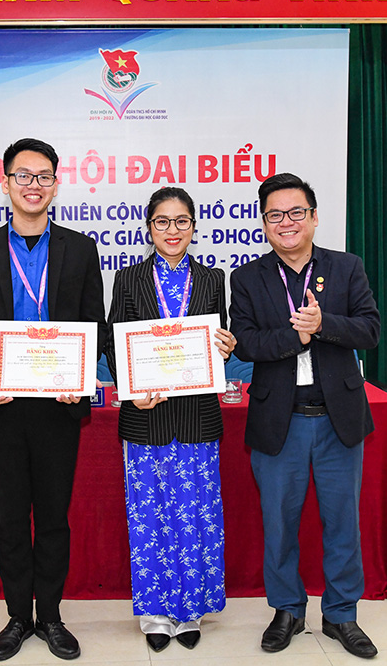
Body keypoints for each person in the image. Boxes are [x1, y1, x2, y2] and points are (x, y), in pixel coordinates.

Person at [0, 137, 107, 662]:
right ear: (5, 182)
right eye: (23, 175)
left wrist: (79, 372)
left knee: (54, 518)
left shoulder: (80, 249)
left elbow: (95, 324)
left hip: (59, 407)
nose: (33, 185)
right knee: (12, 519)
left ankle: (52, 617)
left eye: (43, 177)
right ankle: (18, 617)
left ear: (56, 185)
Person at [228, 173, 381, 659]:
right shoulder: (247, 277)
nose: (286, 222)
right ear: (263, 223)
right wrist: (296, 336)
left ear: (314, 217)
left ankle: (341, 614)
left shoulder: (346, 267)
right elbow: (246, 343)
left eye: (296, 212)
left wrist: (323, 324)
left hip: (338, 420)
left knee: (342, 523)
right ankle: (287, 610)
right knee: (279, 524)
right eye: (275, 215)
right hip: (280, 420)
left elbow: (370, 330)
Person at [106, 187, 236, 653]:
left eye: (182, 221)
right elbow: (114, 342)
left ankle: (192, 610)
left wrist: (225, 346)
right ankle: (156, 613)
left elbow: (218, 339)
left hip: (197, 416)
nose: (172, 230)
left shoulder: (213, 278)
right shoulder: (128, 278)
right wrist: (131, 389)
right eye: (162, 221)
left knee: (198, 514)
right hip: (146, 416)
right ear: (149, 228)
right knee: (149, 516)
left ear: (194, 227)